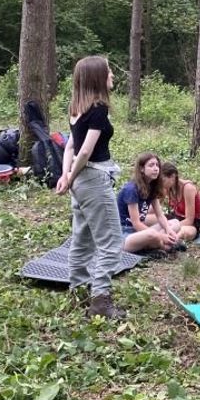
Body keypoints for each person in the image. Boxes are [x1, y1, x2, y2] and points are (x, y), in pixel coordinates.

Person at [55, 55, 125, 319]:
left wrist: (66, 176)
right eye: (109, 72)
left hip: (81, 182)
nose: (112, 76)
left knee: (82, 239)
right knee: (111, 242)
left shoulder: (76, 108)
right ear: (98, 77)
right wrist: (70, 176)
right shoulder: (98, 108)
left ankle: (78, 291)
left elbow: (70, 145)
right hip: (93, 180)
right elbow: (84, 150)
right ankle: (100, 302)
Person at [118, 152, 182, 253]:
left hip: (141, 233)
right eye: (151, 165)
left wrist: (168, 230)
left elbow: (160, 216)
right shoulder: (131, 189)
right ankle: (165, 247)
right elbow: (136, 224)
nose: (156, 168)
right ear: (142, 169)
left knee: (175, 223)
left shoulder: (151, 187)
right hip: (125, 236)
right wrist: (161, 236)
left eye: (157, 165)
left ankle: (155, 245)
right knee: (151, 234)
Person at [159, 161, 200, 242]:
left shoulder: (188, 188)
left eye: (163, 180)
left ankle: (171, 241)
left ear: (172, 177)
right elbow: (155, 208)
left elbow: (189, 220)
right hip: (175, 218)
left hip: (189, 224)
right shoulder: (167, 187)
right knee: (152, 220)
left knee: (184, 232)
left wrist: (169, 227)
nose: (161, 183)